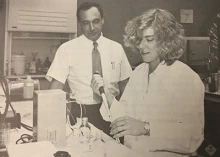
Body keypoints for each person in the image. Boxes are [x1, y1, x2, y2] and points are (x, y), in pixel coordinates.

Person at [91, 9, 204, 157]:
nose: (142, 46)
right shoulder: (139, 72)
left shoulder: (186, 78)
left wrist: (146, 128)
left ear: (166, 40)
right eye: (139, 40)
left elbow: (192, 137)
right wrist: (106, 94)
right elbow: (126, 116)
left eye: (149, 39)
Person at [46, 2, 132, 136]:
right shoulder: (67, 49)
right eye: (86, 23)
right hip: (81, 114)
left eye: (96, 21)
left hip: (113, 113)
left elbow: (126, 87)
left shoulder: (116, 48)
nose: (92, 28)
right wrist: (50, 122)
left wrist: (128, 115)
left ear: (103, 20)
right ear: (80, 24)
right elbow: (54, 91)